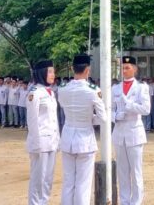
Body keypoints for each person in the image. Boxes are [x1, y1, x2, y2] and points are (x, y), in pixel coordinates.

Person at [57, 54, 106, 205]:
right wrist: (90, 119)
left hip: (67, 137)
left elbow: (63, 106)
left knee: (68, 182)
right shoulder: (92, 90)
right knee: (83, 185)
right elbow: (103, 117)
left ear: (72, 69)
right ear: (87, 70)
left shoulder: (63, 89)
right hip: (84, 139)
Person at [112, 56, 152, 205]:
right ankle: (124, 201)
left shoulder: (142, 87)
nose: (124, 70)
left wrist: (129, 106)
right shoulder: (115, 88)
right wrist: (115, 116)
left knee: (136, 172)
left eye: (127, 67)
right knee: (122, 172)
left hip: (134, 132)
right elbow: (109, 109)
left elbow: (146, 109)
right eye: (122, 67)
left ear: (135, 69)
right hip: (119, 132)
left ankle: (136, 202)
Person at [25, 59, 59, 205]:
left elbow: (54, 119)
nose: (53, 74)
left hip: (51, 141)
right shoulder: (35, 93)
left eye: (53, 71)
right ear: (42, 73)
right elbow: (32, 121)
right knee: (38, 179)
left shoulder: (50, 93)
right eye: (50, 71)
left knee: (48, 180)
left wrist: (58, 140)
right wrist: (35, 144)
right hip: (40, 142)